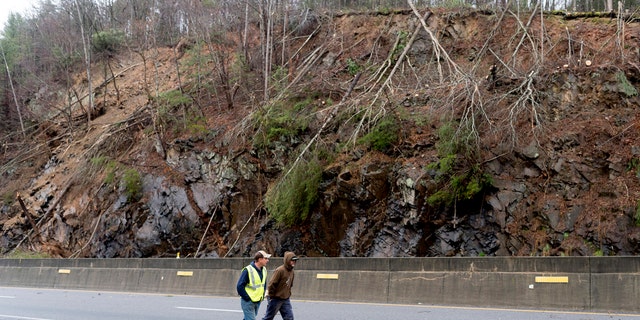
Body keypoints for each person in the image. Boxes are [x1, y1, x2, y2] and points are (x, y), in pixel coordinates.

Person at [262, 251, 299, 320]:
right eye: (292, 260)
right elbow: (272, 284)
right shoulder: (280, 270)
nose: (294, 262)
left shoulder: (292, 272)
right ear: (288, 260)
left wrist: (288, 294)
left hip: (285, 299)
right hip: (276, 298)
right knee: (268, 317)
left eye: (295, 260)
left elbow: (290, 285)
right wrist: (272, 296)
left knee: (289, 318)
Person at [237, 250, 271, 320]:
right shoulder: (248, 270)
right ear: (259, 259)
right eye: (266, 258)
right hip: (248, 302)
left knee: (247, 318)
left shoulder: (264, 269)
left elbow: (263, 284)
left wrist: (262, 296)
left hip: (257, 301)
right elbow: (239, 286)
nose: (268, 260)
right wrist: (247, 298)